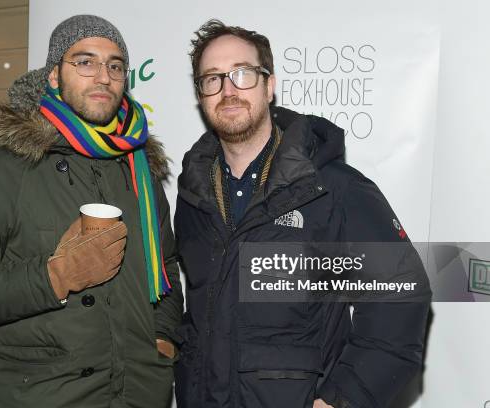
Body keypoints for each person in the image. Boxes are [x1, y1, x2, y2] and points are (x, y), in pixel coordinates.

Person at [0, 15, 182, 408]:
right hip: (42, 395)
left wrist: (162, 341)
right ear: (55, 76)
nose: (103, 76)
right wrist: (55, 276)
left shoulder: (138, 166)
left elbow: (166, 265)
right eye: (85, 62)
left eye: (114, 66)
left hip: (137, 394)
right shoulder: (1, 167)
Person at [173, 20, 430, 408]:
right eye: (212, 78)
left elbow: (402, 294)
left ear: (268, 84)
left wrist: (339, 399)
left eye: (242, 74)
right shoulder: (193, 195)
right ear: (201, 94)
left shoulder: (333, 188)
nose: (228, 90)